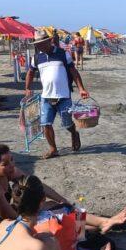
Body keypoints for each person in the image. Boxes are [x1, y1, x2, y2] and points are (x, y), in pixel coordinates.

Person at [24, 30, 90, 159]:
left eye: (42, 43)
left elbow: (73, 71)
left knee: (67, 124)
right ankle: (53, 149)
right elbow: (30, 72)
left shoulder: (63, 53)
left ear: (49, 41)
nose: (40, 46)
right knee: (45, 123)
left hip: (63, 96)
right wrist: (27, 88)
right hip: (46, 97)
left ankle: (74, 133)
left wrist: (81, 88)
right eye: (37, 44)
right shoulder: (36, 58)